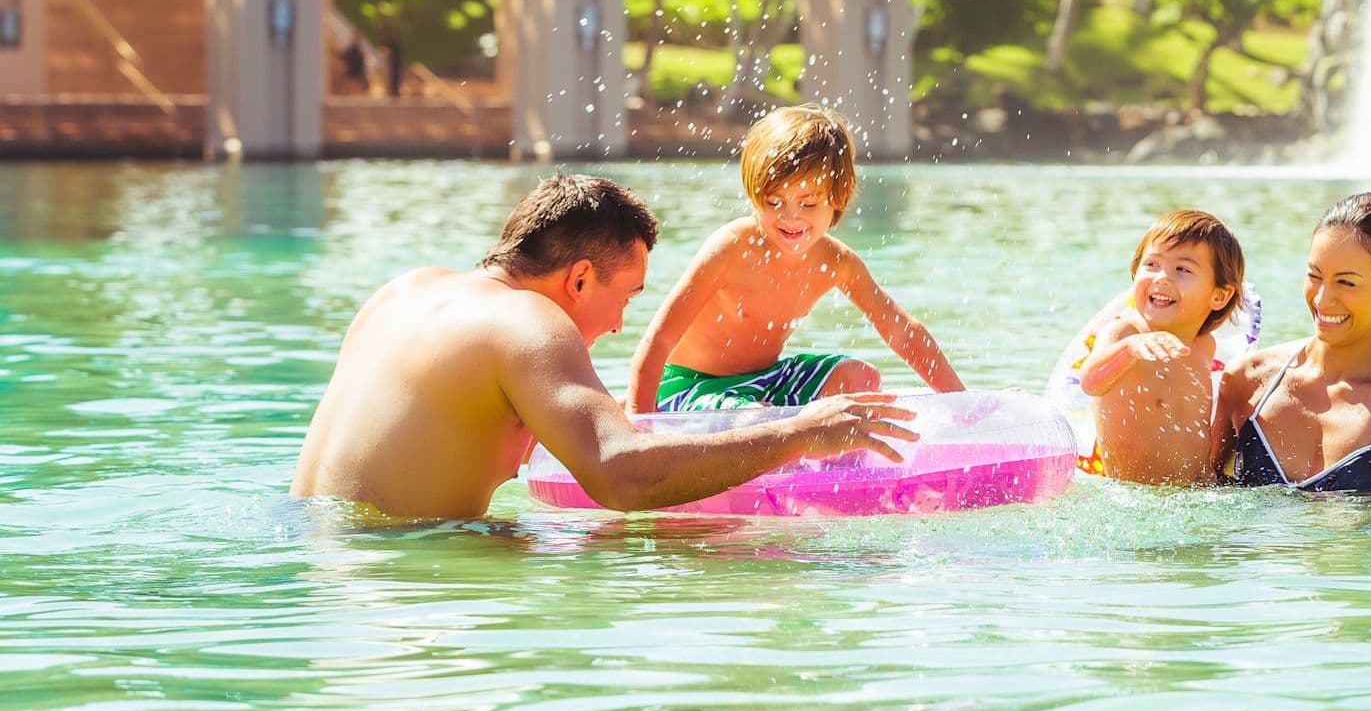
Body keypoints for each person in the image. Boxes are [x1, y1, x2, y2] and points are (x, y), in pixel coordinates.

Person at [290, 174, 916, 520]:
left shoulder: (405, 291)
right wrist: (799, 432)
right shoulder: (529, 323)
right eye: (626, 297)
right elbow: (621, 477)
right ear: (580, 279)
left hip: (319, 563)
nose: (619, 325)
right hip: (404, 577)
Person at [623, 105, 965, 414]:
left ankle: (820, 455)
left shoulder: (837, 261)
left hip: (769, 380)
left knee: (861, 378)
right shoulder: (732, 248)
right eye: (774, 202)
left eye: (809, 203)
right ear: (754, 194)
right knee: (754, 417)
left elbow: (901, 331)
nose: (790, 217)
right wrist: (639, 426)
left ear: (838, 198)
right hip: (692, 386)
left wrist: (960, 402)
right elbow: (658, 340)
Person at [1213, 193, 1371, 493]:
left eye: (1346, 282)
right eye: (1314, 276)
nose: (1322, 299)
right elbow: (1193, 491)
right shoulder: (1247, 380)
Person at [1074, 210, 1246, 485]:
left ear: (1219, 296)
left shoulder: (1203, 346)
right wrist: (1129, 349)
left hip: (1198, 490)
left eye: (1182, 269)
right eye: (1152, 264)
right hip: (1137, 493)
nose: (1162, 278)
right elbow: (1090, 383)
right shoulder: (1125, 333)